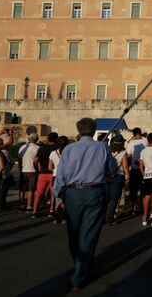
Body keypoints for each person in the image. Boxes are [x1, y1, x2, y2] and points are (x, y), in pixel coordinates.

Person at [52, 118, 116, 291]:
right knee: (89, 234)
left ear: (78, 131)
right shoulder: (103, 147)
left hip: (72, 193)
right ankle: (80, 272)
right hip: (95, 192)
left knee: (74, 232)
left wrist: (58, 197)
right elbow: (111, 170)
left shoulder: (69, 149)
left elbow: (61, 175)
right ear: (94, 129)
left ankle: (80, 267)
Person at [32, 132, 58, 218]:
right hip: (53, 173)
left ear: (48, 139)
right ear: (56, 139)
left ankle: (35, 211)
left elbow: (35, 160)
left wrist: (38, 169)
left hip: (43, 173)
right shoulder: (57, 148)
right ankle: (51, 210)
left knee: (38, 192)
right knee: (52, 193)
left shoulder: (42, 148)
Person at [105, 135, 129, 226]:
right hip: (118, 176)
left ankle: (103, 217)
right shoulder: (123, 152)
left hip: (107, 176)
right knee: (114, 199)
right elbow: (125, 166)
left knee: (106, 198)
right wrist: (128, 176)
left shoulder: (108, 150)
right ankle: (110, 219)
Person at [127, 127, 148, 214]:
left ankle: (134, 208)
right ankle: (143, 207)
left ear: (134, 134)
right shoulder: (146, 141)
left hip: (135, 169)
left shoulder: (132, 143)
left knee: (134, 190)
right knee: (143, 189)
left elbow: (129, 155)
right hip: (144, 168)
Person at [49, 135, 69, 224]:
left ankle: (56, 217)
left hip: (55, 176)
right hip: (67, 177)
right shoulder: (69, 153)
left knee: (57, 197)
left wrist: (55, 170)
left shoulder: (53, 153)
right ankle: (64, 217)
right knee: (65, 199)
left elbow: (49, 167)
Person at [19, 133, 40, 212]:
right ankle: (29, 206)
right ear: (37, 139)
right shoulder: (38, 148)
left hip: (24, 169)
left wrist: (21, 168)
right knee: (31, 189)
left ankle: (21, 204)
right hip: (33, 170)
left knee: (22, 188)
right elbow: (37, 160)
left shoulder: (22, 147)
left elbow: (20, 160)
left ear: (28, 139)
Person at [0, 131, 15, 212]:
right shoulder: (5, 152)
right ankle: (1, 206)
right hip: (3, 174)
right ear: (2, 143)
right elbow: (11, 162)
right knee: (2, 191)